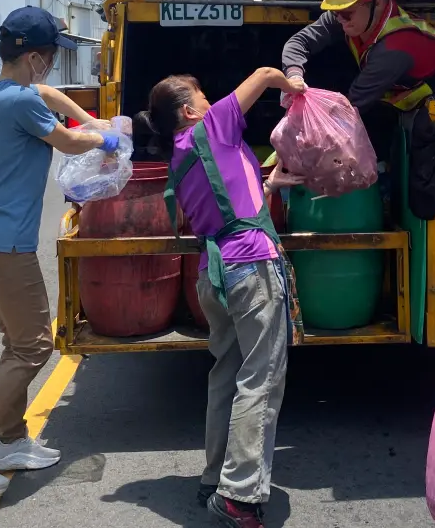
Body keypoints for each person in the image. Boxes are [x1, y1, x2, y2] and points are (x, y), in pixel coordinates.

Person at [0, 7, 122, 499]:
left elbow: (50, 98)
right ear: (34, 57)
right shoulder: (18, 104)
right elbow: (69, 143)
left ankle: (11, 441)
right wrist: (106, 136)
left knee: (15, 344)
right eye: (51, 57)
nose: (52, 67)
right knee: (34, 347)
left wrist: (85, 113)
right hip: (4, 247)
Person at [280, 0, 435, 343]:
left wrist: (291, 150)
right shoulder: (349, 15)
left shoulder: (396, 46)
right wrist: (294, 74)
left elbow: (345, 112)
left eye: (348, 14)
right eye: (337, 13)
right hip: (415, 111)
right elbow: (299, 42)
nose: (342, 23)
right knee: (416, 199)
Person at [146, 68, 305, 528]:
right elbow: (265, 74)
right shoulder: (209, 127)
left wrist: (270, 184)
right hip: (251, 268)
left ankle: (215, 477)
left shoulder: (182, 154)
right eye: (204, 96)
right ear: (188, 111)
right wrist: (293, 83)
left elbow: (227, 196)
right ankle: (239, 495)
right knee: (262, 378)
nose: (213, 103)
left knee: (228, 375)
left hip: (215, 278)